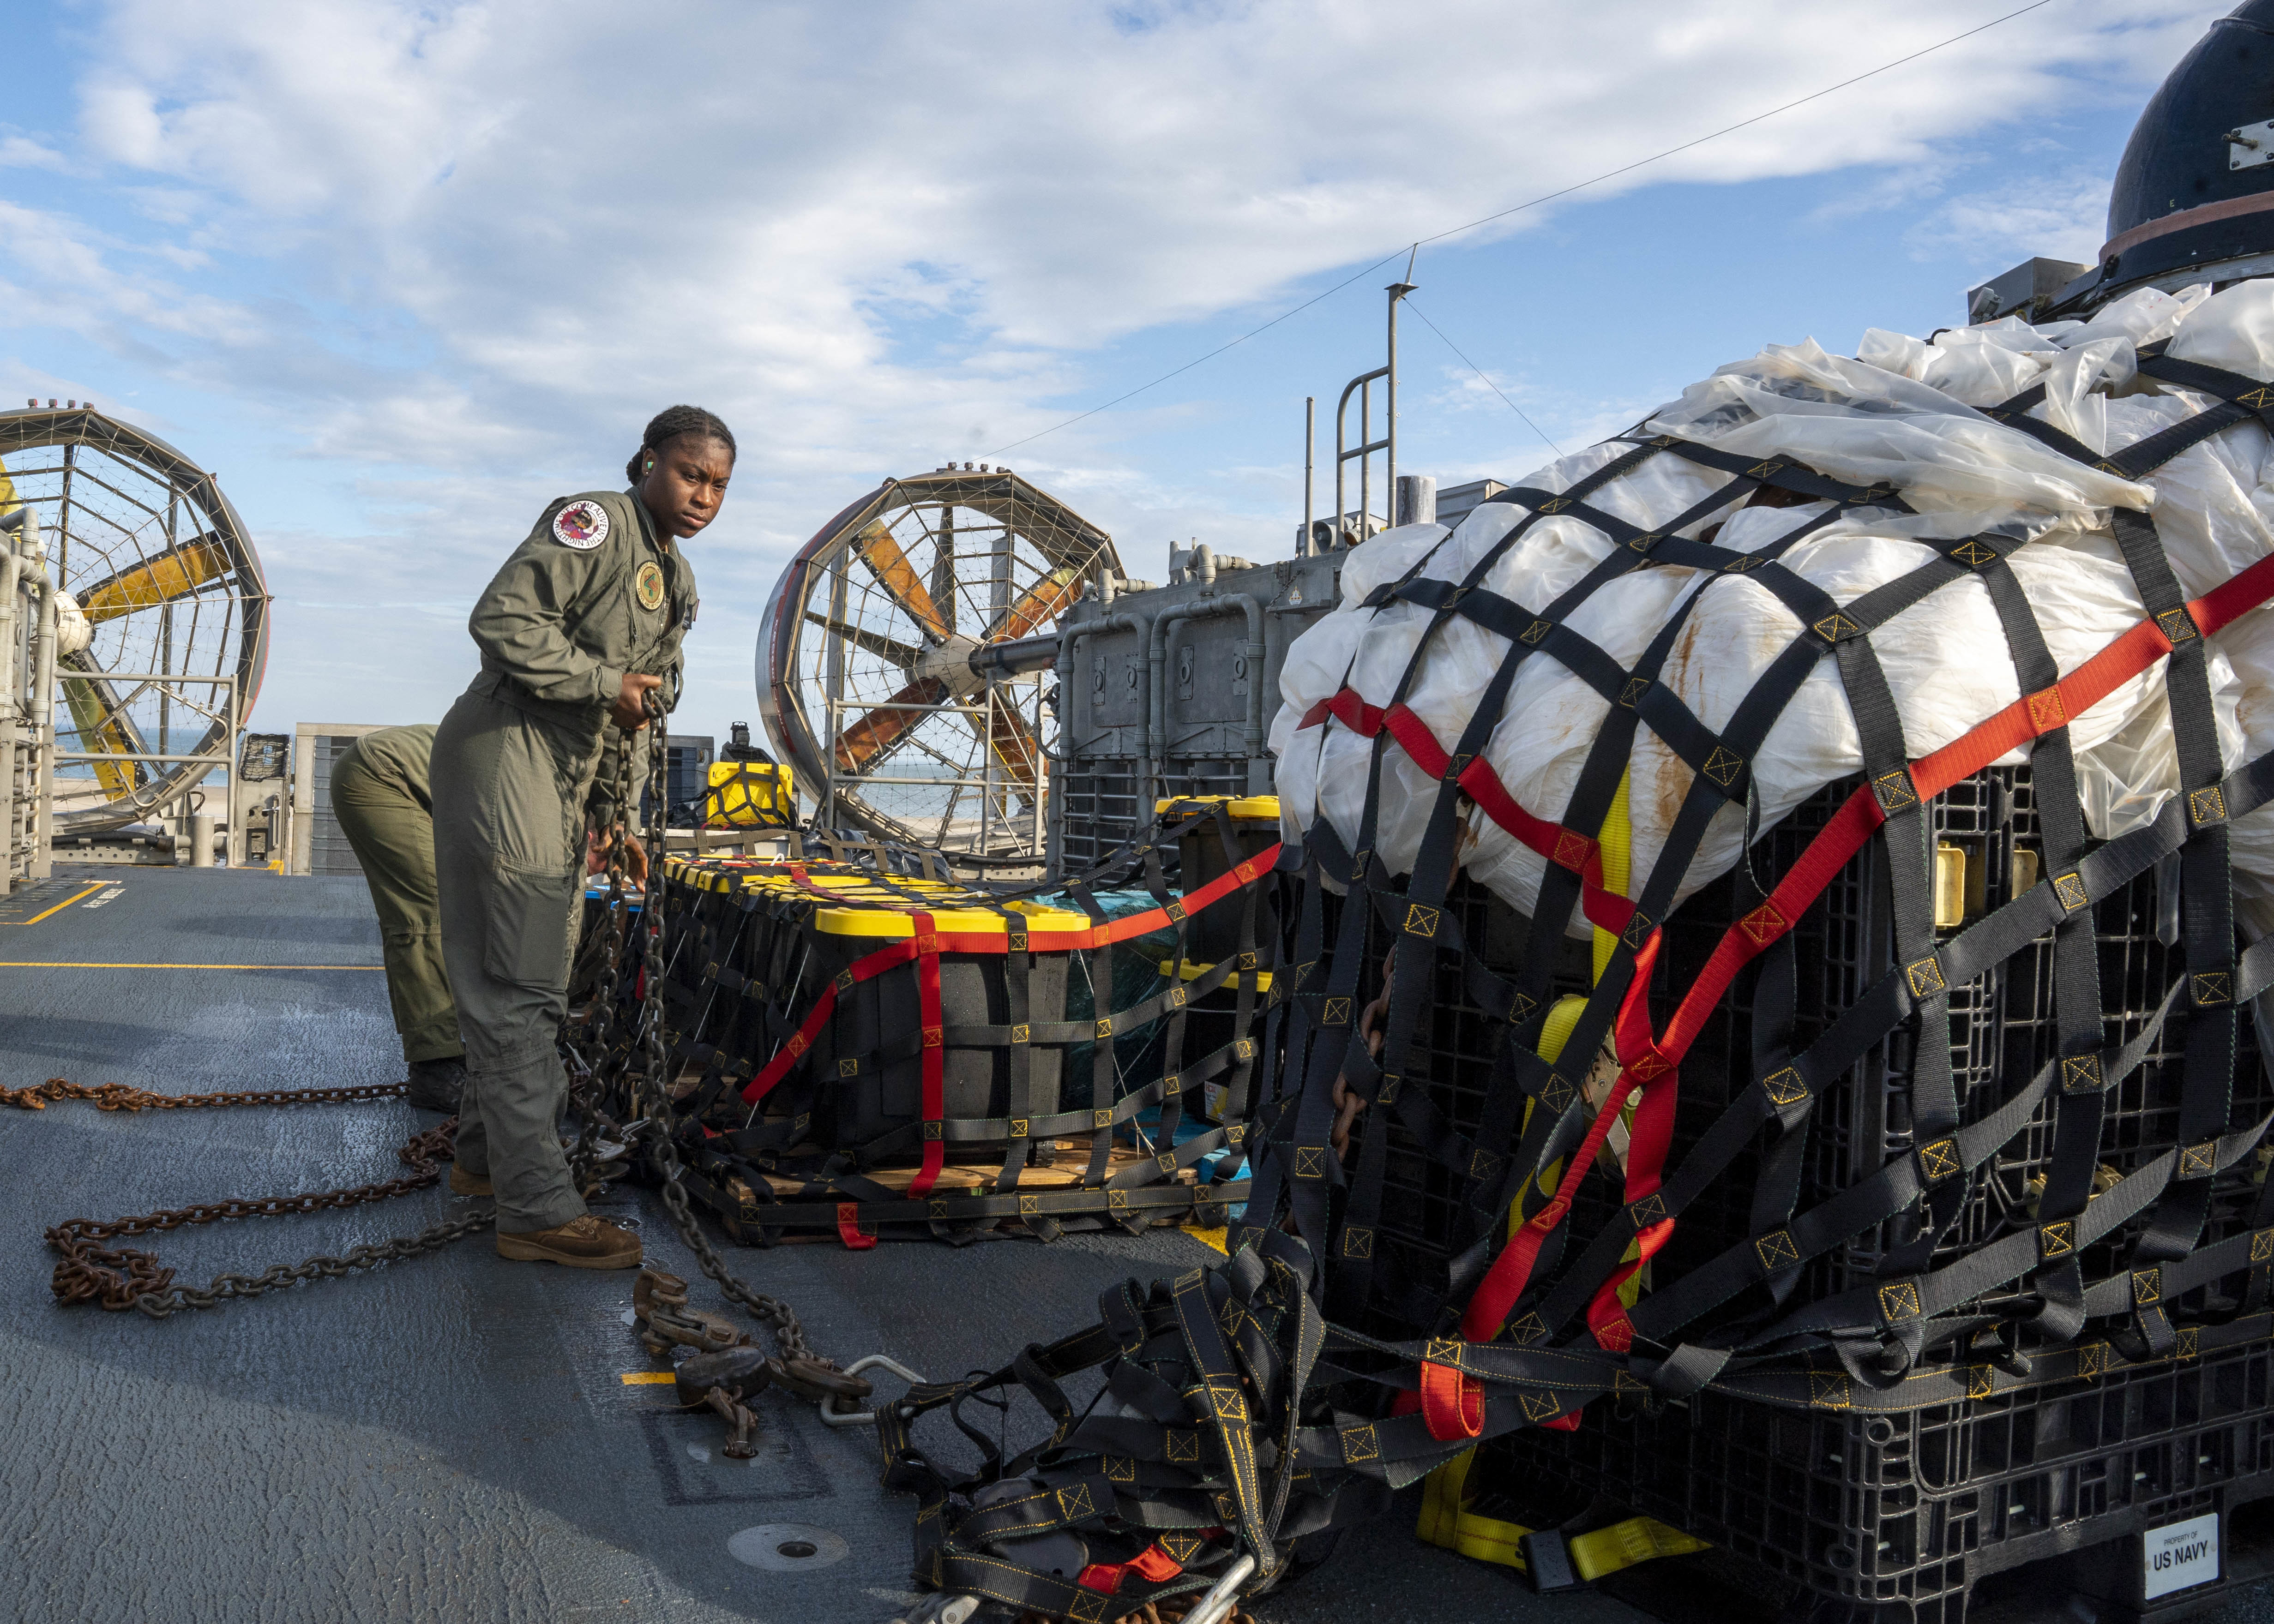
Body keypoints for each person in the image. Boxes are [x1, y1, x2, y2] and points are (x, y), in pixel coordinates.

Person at [432, 405, 730, 1269]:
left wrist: (614, 815)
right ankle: (533, 1209)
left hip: (566, 770)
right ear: (647, 464)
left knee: (539, 975)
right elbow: (502, 620)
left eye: (718, 485)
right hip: (509, 744)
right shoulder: (595, 522)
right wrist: (603, 680)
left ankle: (486, 1163)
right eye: (690, 475)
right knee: (518, 983)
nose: (704, 495)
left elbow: (635, 713)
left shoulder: (674, 581)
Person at [329, 725, 463, 1111]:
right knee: (426, 913)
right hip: (380, 776)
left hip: (409, 779)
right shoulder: (546, 797)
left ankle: (452, 1045)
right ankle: (435, 1067)